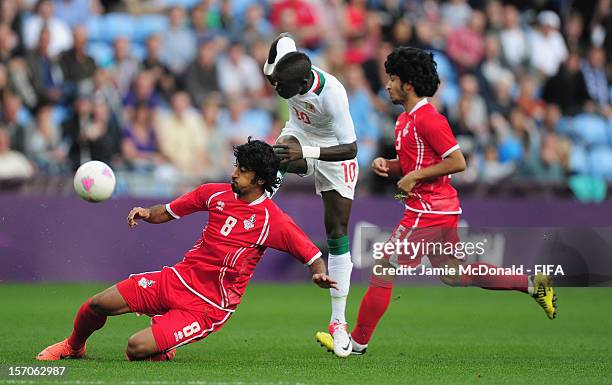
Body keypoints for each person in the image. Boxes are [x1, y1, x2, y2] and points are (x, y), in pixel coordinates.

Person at [316, 47, 558, 356]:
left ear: (409, 84)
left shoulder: (429, 119)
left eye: (392, 79)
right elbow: (415, 163)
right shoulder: (405, 120)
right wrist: (389, 166)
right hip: (441, 209)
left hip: (427, 209)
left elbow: (458, 161)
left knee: (383, 266)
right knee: (455, 274)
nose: (387, 85)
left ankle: (356, 342)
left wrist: (414, 177)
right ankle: (532, 284)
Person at [36, 138, 336, 361]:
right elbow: (167, 210)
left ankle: (165, 342)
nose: (234, 174)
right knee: (98, 303)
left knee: (135, 349)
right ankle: (73, 346)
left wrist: (319, 274)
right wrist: (145, 212)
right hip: (176, 280)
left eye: (242, 171)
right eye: (236, 167)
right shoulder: (214, 193)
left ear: (259, 180)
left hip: (208, 306)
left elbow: (311, 254)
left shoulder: (274, 220)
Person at [264, 34, 358, 357]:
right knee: (273, 157)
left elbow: (351, 148)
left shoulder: (332, 94)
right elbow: (283, 40)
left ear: (303, 83)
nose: (277, 90)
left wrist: (308, 151)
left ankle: (338, 322)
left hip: (333, 149)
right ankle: (256, 209)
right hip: (300, 135)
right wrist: (272, 61)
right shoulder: (285, 68)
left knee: (337, 230)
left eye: (282, 87)